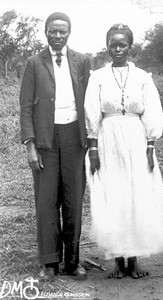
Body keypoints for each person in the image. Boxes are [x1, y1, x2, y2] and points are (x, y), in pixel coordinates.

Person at [85, 24, 163, 279]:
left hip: (136, 139)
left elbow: (153, 111)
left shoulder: (142, 78)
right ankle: (118, 261)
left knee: (136, 196)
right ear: (107, 46)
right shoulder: (98, 77)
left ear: (130, 47)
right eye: (113, 44)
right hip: (108, 138)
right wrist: (93, 147)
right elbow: (92, 111)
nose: (117, 49)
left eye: (122, 44)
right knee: (114, 196)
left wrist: (150, 144)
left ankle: (134, 260)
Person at [20, 12, 91, 280]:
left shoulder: (82, 61)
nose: (58, 35)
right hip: (45, 141)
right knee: (47, 201)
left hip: (75, 139)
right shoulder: (33, 62)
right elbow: (25, 106)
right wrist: (30, 145)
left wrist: (91, 141)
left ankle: (73, 262)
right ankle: (49, 263)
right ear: (46, 32)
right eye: (53, 31)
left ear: (69, 33)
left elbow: (89, 102)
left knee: (73, 200)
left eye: (62, 31)